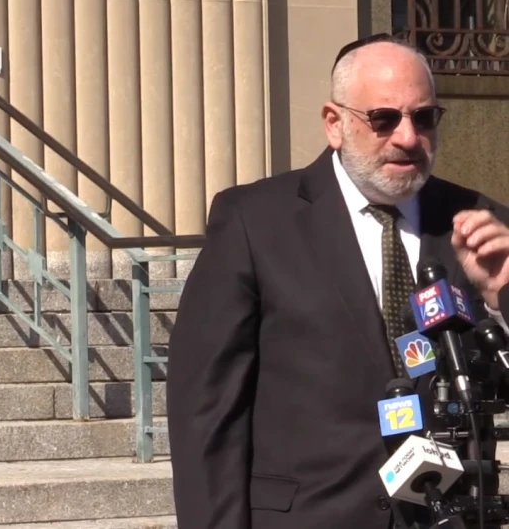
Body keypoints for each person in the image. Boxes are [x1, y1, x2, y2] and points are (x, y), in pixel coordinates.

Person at [166, 33, 509, 529]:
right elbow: (205, 407)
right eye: (384, 119)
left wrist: (503, 296)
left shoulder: (478, 222)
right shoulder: (255, 221)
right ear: (335, 123)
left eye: (424, 117)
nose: (408, 138)